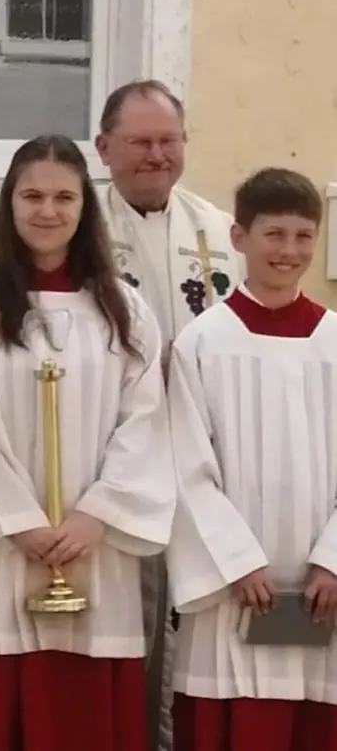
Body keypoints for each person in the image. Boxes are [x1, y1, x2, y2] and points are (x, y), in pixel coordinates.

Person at [0, 135, 175, 751]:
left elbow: (147, 421)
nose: (48, 211)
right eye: (33, 195)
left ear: (84, 208)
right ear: (8, 205)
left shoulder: (126, 311)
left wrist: (97, 515)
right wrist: (19, 523)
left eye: (64, 197)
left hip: (96, 551)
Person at [166, 168, 337, 751]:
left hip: (324, 596)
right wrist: (236, 561)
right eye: (274, 234)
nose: (289, 251)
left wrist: (333, 560)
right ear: (239, 238)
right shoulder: (203, 343)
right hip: (233, 593)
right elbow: (185, 465)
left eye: (303, 236)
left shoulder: (335, 341)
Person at [94, 79, 243, 750]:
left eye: (168, 140)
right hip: (117, 459)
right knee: (135, 621)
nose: (156, 155)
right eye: (140, 142)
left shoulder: (219, 232)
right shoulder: (79, 231)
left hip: (207, 458)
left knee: (201, 627)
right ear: (103, 149)